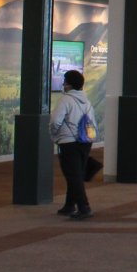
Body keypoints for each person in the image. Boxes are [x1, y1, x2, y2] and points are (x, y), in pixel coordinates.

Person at [50, 69, 97, 220]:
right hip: (85, 142)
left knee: (73, 175)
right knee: (75, 174)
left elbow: (56, 121)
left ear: (69, 84)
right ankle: (69, 205)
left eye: (64, 81)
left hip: (68, 142)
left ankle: (84, 207)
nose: (63, 84)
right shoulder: (87, 101)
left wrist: (54, 134)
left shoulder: (66, 100)